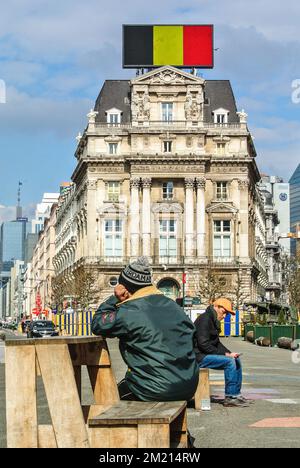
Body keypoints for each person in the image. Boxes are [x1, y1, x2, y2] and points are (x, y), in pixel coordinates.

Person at [92, 256, 199, 402]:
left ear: (125, 288)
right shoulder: (174, 306)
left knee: (107, 400)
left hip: (153, 389)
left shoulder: (128, 311)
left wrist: (115, 298)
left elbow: (98, 324)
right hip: (189, 386)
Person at [193, 298, 252, 407]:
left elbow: (217, 343)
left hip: (204, 354)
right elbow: (203, 344)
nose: (224, 316)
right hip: (198, 357)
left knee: (235, 359)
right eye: (224, 312)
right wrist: (225, 355)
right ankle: (230, 397)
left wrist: (230, 353)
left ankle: (236, 394)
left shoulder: (212, 320)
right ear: (216, 307)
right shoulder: (205, 319)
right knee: (229, 362)